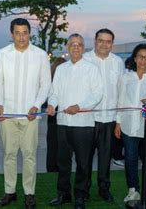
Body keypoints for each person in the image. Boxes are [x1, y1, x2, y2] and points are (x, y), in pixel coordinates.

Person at [0, 18, 51, 208]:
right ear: (12, 34)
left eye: (24, 32)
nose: (21, 36)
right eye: (17, 33)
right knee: (9, 155)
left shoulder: (40, 55)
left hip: (30, 116)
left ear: (29, 33)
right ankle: (10, 192)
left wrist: (36, 105)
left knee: (29, 156)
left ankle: (29, 193)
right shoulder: (2, 54)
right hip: (7, 115)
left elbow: (45, 85)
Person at [46, 34, 103, 209]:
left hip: (83, 123)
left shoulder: (92, 68)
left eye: (79, 45)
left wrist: (79, 106)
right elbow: (54, 92)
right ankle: (63, 194)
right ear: (68, 48)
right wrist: (51, 104)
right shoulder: (61, 69)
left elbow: (97, 94)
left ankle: (80, 195)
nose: (75, 48)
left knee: (83, 162)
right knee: (63, 161)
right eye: (72, 45)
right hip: (63, 122)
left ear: (83, 47)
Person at [114, 44, 146, 203]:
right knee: (130, 158)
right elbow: (120, 101)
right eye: (140, 56)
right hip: (129, 125)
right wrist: (118, 123)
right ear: (134, 58)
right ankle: (133, 190)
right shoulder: (125, 78)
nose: (143, 60)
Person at [83, 28, 124, 202]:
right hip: (87, 119)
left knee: (105, 159)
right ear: (95, 41)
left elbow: (121, 92)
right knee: (84, 159)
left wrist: (119, 121)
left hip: (109, 119)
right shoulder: (84, 59)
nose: (104, 44)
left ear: (112, 44)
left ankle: (104, 189)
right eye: (101, 40)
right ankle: (83, 190)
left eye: (108, 41)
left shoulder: (118, 62)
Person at [46, 57, 66, 173]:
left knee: (52, 143)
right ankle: (58, 167)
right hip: (59, 112)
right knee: (61, 143)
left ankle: (51, 167)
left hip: (52, 113)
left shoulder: (50, 81)